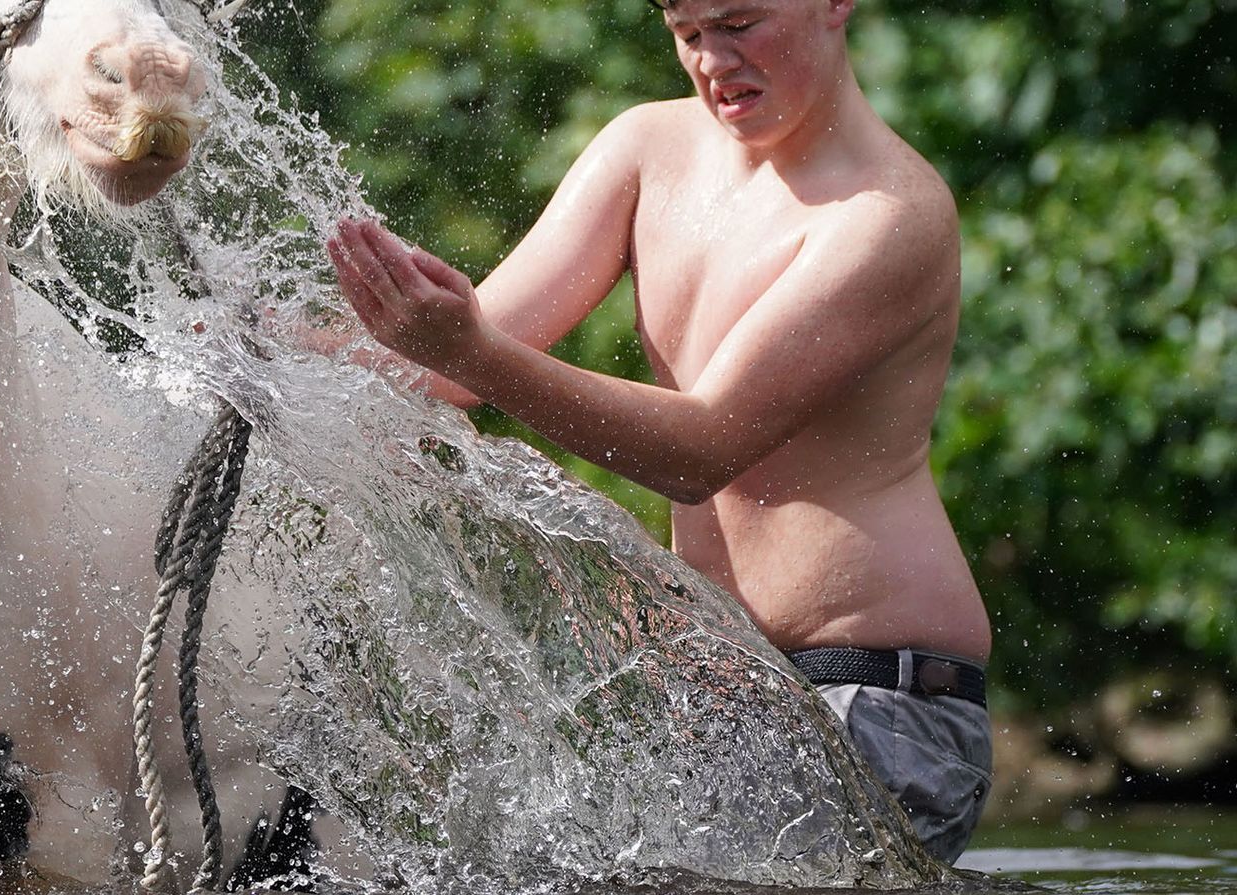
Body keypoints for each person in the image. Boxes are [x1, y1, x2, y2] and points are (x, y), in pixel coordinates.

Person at [323, 0, 993, 863]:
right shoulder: (647, 149)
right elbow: (449, 359)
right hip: (723, 695)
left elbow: (699, 449)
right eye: (686, 34)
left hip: (876, 700)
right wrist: (257, 351)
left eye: (740, 23)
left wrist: (472, 351)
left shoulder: (890, 215)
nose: (713, 59)